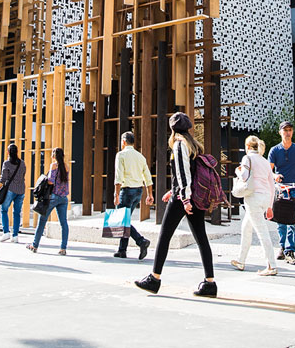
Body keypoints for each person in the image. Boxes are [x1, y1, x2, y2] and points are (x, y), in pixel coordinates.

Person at [135, 112, 216, 298]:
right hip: (191, 196)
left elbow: (183, 173)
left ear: (172, 129)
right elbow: (191, 173)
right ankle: (210, 282)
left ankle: (154, 279)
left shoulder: (179, 145)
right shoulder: (193, 145)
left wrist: (184, 198)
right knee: (201, 238)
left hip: (184, 199)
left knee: (164, 236)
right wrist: (174, 190)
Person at [230, 135, 277, 276]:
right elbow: (271, 184)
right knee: (246, 228)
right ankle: (241, 260)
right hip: (264, 197)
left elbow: (244, 176)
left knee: (262, 232)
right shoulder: (264, 161)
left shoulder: (247, 158)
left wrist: (237, 171)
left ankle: (271, 265)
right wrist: (270, 206)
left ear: (248, 146)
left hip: (253, 197)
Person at [267, 121, 295, 266]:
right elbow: (269, 170)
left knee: (293, 220)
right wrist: (275, 176)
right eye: (285, 130)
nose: (287, 132)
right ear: (280, 132)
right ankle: (282, 246)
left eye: (290, 130)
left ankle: (290, 249)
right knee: (280, 220)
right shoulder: (274, 150)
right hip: (281, 188)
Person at [112, 131, 154, 259]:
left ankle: (141, 241)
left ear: (123, 141)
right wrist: (149, 194)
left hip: (126, 191)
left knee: (123, 220)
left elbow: (118, 176)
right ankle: (122, 250)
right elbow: (147, 176)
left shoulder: (121, 155)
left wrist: (116, 194)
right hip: (138, 191)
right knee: (126, 220)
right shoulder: (140, 156)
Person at [26, 147, 70, 255]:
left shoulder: (53, 165)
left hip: (53, 197)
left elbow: (50, 181)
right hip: (64, 198)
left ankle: (35, 245)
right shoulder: (66, 166)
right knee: (63, 223)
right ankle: (63, 248)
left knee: (42, 221)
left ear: (54, 156)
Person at [0, 144, 26, 243]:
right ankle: (15, 236)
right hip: (21, 190)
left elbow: (3, 178)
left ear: (8, 152)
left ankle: (6, 233)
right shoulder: (22, 163)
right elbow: (23, 175)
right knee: (17, 213)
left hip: (10, 189)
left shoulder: (7, 163)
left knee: (4, 209)